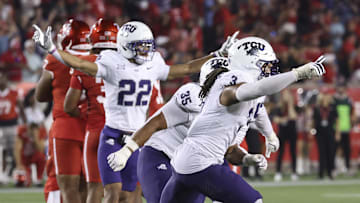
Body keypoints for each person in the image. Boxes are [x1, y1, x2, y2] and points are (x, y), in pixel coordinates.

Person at [32, 21, 239, 203]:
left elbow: (185, 68)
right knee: (112, 193)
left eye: (147, 46)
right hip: (112, 137)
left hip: (138, 139)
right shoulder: (111, 63)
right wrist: (52, 49)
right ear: (124, 46)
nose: (144, 51)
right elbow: (79, 63)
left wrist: (217, 54)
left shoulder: (153, 64)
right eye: (139, 47)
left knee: (131, 195)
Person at [158, 37, 326, 203]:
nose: (269, 72)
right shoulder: (232, 85)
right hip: (200, 163)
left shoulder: (242, 98)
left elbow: (229, 149)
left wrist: (248, 158)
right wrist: (298, 73)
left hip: (187, 164)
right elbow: (258, 88)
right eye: (265, 66)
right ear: (249, 64)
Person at [107, 57, 268, 203]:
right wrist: (127, 150)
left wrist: (247, 158)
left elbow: (229, 151)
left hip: (192, 166)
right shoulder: (193, 96)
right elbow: (154, 123)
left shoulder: (235, 111)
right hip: (160, 154)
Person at [35, 19, 90, 203]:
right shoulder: (98, 59)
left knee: (67, 188)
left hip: (66, 127)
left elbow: (40, 95)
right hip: (93, 126)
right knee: (89, 186)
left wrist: (59, 89)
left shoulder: (56, 58)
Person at [63, 18, 118, 203]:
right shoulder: (127, 63)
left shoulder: (84, 63)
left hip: (96, 131)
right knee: (128, 191)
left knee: (94, 188)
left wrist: (88, 112)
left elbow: (69, 106)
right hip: (123, 132)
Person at [0, 72, 27, 183]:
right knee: (2, 152)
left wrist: (25, 124)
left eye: (2, 78)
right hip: (1, 125)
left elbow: (21, 109)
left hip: (12, 124)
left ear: (6, 80)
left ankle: (18, 175)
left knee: (16, 151)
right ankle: (3, 174)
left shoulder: (14, 93)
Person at [273, 89, 299, 181]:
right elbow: (275, 119)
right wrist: (282, 120)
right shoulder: (279, 107)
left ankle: (294, 172)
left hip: (292, 132)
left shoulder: (293, 106)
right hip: (282, 132)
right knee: (280, 153)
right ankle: (278, 172)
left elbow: (294, 116)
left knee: (293, 152)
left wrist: (290, 104)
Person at [313, 93, 337, 179]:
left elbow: (337, 120)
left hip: (330, 132)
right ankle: (321, 174)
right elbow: (314, 121)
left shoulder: (332, 108)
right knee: (321, 153)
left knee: (330, 152)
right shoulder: (317, 109)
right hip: (320, 133)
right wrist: (312, 130)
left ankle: (330, 173)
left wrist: (338, 133)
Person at [334, 83, 354, 174]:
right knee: (337, 148)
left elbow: (352, 113)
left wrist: (352, 121)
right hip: (336, 128)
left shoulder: (348, 100)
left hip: (346, 127)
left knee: (347, 149)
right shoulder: (334, 100)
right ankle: (338, 167)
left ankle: (346, 167)